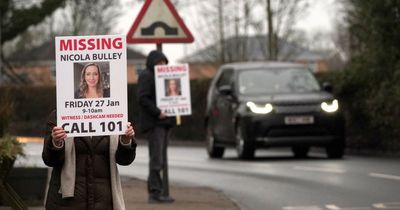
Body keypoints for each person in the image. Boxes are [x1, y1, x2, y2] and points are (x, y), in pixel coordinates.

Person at [42, 110, 136, 210]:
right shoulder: (60, 113)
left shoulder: (115, 112)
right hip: (66, 203)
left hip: (104, 201)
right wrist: (56, 143)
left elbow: (125, 160)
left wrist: (126, 141)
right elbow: (50, 160)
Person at [137, 50, 176, 203]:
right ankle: (154, 193)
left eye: (164, 63)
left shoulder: (163, 76)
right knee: (157, 159)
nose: (162, 65)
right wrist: (157, 112)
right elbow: (143, 98)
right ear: (152, 62)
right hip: (155, 124)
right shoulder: (147, 76)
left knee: (159, 159)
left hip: (164, 122)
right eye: (159, 63)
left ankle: (157, 191)